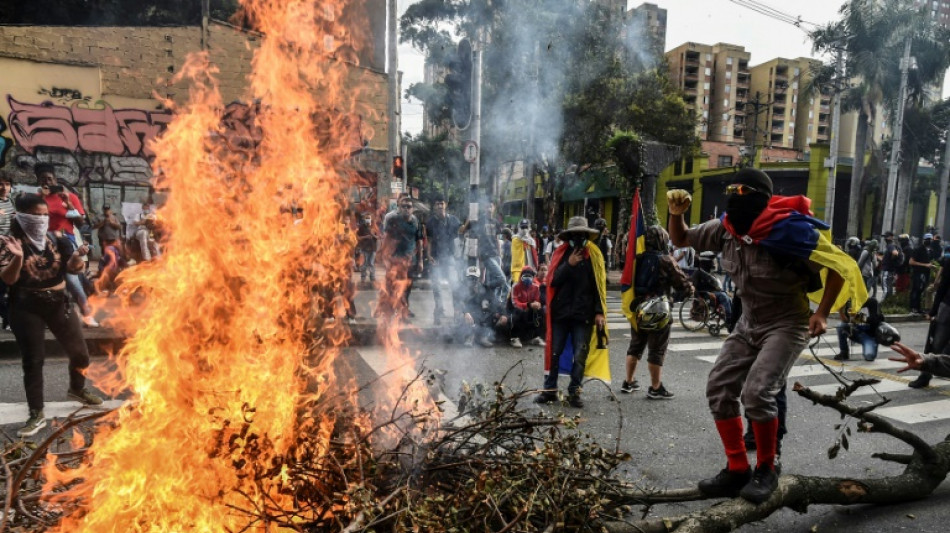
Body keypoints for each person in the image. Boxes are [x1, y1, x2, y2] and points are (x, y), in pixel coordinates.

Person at [668, 167, 862, 504]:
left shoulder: (789, 230)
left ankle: (768, 468)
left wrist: (823, 312)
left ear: (760, 197)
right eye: (731, 190)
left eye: (742, 191)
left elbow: (839, 266)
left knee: (758, 391)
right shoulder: (724, 229)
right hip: (749, 321)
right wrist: (676, 215)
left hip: (787, 321)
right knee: (719, 386)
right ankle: (737, 468)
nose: (734, 196)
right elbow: (682, 238)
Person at [0, 194, 104, 437]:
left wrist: (78, 257)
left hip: (58, 303)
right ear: (22, 216)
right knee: (33, 360)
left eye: (45, 214)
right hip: (26, 307)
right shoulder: (10, 242)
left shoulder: (57, 238)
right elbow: (8, 279)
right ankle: (36, 413)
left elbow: (73, 268)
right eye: (36, 215)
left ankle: (77, 389)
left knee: (80, 352)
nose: (41, 219)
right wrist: (17, 257)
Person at [535, 217, 607, 409]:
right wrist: (570, 264)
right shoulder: (560, 254)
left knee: (580, 355)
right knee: (554, 352)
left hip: (583, 315)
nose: (578, 238)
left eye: (581, 234)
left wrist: (599, 312)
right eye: (574, 235)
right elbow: (553, 281)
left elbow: (599, 287)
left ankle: (574, 392)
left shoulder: (595, 256)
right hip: (561, 313)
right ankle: (549, 390)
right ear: (569, 237)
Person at [621, 225, 691, 399]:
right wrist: (687, 291)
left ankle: (628, 382)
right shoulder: (666, 260)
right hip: (660, 310)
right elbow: (683, 283)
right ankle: (655, 387)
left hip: (638, 308)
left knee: (635, 345)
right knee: (657, 349)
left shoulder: (637, 259)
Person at [35, 164, 98, 327]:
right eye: (43, 179)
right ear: (38, 181)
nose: (47, 182)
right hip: (43, 245)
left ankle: (87, 314)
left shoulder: (69, 196)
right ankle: (51, 318)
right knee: (49, 282)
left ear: (55, 180)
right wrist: (39, 199)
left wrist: (69, 204)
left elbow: (81, 223)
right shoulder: (37, 197)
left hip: (65, 242)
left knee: (72, 280)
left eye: (49, 179)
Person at [379, 194, 423, 319]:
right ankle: (390, 309)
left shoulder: (415, 221)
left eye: (409, 207)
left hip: (410, 261)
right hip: (394, 260)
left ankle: (404, 310)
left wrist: (420, 261)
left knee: (407, 287)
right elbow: (386, 239)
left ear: (412, 208)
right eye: (403, 206)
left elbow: (419, 241)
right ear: (399, 207)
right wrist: (384, 257)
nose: (406, 209)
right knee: (392, 286)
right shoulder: (392, 219)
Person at [460, 202, 508, 305]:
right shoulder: (480, 220)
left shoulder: (496, 222)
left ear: (494, 208)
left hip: (496, 255)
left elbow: (496, 239)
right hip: (486, 255)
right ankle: (484, 288)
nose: (489, 208)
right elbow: (466, 230)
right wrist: (471, 215)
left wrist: (500, 256)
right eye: (487, 206)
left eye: (491, 206)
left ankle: (493, 304)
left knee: (496, 282)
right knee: (502, 279)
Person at [425, 196, 461, 324]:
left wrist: (457, 256)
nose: (440, 206)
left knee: (455, 285)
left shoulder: (453, 220)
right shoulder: (430, 222)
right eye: (437, 204)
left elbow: (458, 236)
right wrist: (428, 255)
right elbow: (428, 241)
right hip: (436, 257)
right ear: (434, 207)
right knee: (436, 286)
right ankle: (439, 311)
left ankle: (457, 312)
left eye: (441, 203)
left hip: (450, 257)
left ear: (445, 205)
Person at [456, 265, 509, 348]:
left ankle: (484, 337)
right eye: (470, 278)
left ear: (478, 279)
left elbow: (496, 303)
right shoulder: (461, 290)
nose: (472, 281)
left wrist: (504, 314)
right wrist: (465, 312)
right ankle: (469, 336)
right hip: (469, 317)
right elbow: (459, 304)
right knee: (461, 315)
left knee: (493, 315)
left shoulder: (485, 289)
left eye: (474, 278)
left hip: (482, 318)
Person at [835, 297, 884, 361]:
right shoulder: (850, 303)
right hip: (856, 332)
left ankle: (871, 347)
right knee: (840, 326)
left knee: (869, 356)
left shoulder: (872, 302)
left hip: (870, 335)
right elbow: (846, 321)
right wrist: (841, 310)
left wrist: (857, 317)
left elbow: (875, 320)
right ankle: (844, 352)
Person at [509, 265, 545, 348]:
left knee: (540, 311)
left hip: (530, 309)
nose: (528, 278)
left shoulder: (536, 287)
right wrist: (528, 304)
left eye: (530, 276)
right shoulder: (515, 286)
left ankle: (535, 337)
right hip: (517, 310)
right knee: (519, 311)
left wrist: (537, 304)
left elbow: (537, 300)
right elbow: (515, 303)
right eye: (525, 276)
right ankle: (514, 337)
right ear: (521, 276)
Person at [909, 233, 937, 315]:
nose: (929, 241)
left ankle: (918, 307)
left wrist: (932, 266)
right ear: (924, 240)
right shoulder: (918, 249)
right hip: (918, 273)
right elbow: (911, 262)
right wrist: (925, 265)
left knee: (921, 290)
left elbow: (930, 261)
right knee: (916, 290)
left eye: (930, 240)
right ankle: (913, 307)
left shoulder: (931, 251)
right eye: (927, 239)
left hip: (926, 273)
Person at [0, 174, 14, 330]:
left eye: (7, 184)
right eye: (0, 184)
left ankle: (8, 320)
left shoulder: (11, 202)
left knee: (8, 287)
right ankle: (8, 318)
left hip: (9, 252)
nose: (4, 187)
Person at [511, 219, 538, 284]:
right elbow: (521, 238)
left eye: (526, 227)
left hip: (529, 270)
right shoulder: (515, 239)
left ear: (529, 228)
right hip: (517, 269)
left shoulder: (531, 241)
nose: (524, 230)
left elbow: (534, 256)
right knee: (517, 287)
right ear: (519, 228)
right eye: (522, 227)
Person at [355, 213, 378, 284]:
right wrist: (365, 237)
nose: (368, 220)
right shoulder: (361, 228)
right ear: (364, 220)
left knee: (371, 263)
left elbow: (378, 237)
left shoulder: (374, 227)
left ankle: (372, 277)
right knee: (364, 263)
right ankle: (363, 278)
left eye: (369, 218)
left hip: (372, 248)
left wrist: (372, 234)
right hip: (364, 248)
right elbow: (358, 237)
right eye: (366, 218)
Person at [880, 231, 903, 299]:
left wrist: (891, 259)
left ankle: (880, 305)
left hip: (887, 270)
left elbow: (895, 253)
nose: (884, 238)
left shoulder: (890, 245)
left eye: (886, 236)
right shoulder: (892, 245)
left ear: (890, 237)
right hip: (891, 270)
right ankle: (887, 305)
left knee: (886, 289)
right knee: (889, 289)